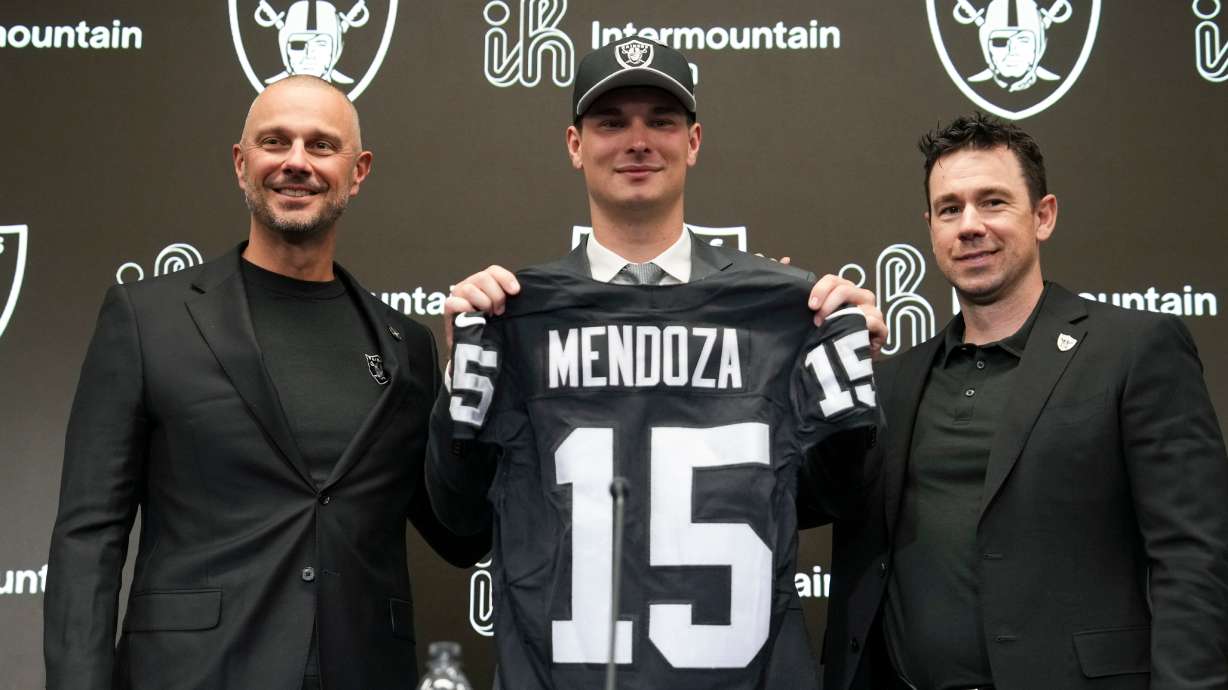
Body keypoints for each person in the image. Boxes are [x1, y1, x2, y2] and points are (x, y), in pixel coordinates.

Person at [427, 37, 885, 689]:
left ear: (693, 141)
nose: (637, 141)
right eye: (611, 122)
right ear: (574, 144)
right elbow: (458, 519)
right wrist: (462, 376)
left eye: (661, 121)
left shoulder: (784, 310)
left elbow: (837, 496)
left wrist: (850, 376)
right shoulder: (510, 317)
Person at [43, 75, 488, 690]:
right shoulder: (148, 319)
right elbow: (87, 538)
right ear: (241, 162)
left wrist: (466, 388)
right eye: (275, 141)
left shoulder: (405, 346)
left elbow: (463, 535)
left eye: (321, 145)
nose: (296, 162)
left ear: (358, 171)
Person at [821, 112, 1228, 690]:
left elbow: (1193, 558)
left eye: (993, 202)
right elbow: (814, 498)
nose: (969, 226)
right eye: (949, 208)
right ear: (931, 227)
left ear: (1043, 216)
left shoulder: (1135, 349)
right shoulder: (892, 383)